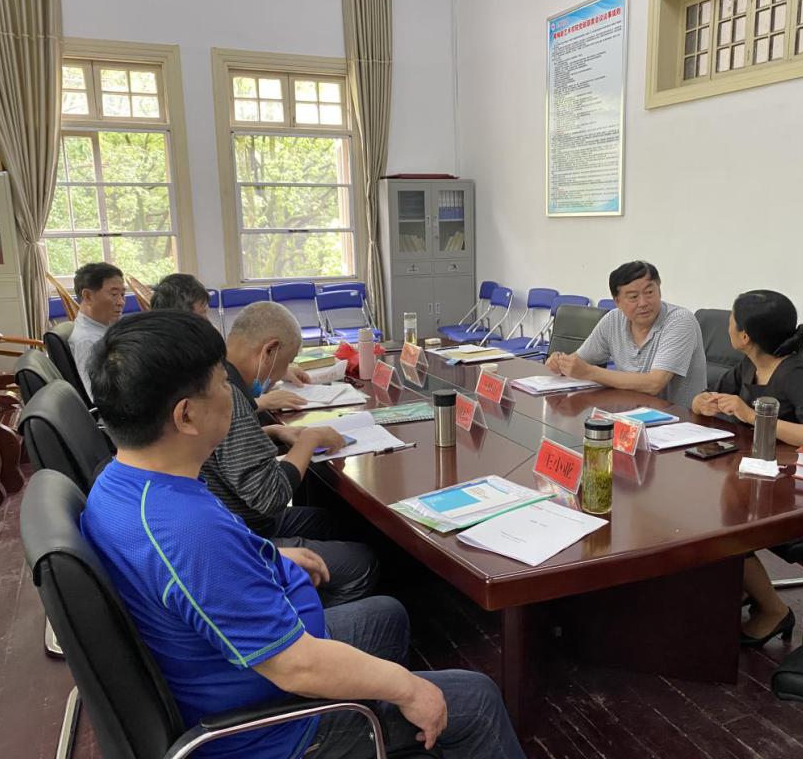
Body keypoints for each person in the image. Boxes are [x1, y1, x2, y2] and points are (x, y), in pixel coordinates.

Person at [81, 311, 524, 759]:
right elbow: (296, 667)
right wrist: (409, 690)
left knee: (388, 615)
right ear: (186, 415)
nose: (233, 394)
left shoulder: (120, 484)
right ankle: (375, 724)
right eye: (221, 384)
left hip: (244, 668)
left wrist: (270, 557)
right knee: (476, 700)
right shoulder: (184, 531)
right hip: (272, 731)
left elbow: (194, 582)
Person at [201, 301, 377, 606]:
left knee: (331, 521)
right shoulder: (229, 396)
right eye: (286, 362)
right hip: (247, 531)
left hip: (243, 519)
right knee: (364, 563)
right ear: (269, 351)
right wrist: (308, 440)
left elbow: (224, 451)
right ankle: (316, 620)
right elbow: (270, 496)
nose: (282, 373)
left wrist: (272, 431)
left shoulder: (220, 380)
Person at [691, 289, 803, 647]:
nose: (727, 325)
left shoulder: (796, 373)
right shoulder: (749, 366)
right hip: (757, 471)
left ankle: (774, 610)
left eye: (731, 321)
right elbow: (712, 395)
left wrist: (752, 416)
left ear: (745, 337)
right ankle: (741, 586)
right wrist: (702, 402)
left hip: (796, 485)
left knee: (723, 529)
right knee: (708, 512)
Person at [545, 261, 706, 408]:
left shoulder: (679, 321)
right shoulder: (613, 320)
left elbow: (654, 383)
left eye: (649, 292)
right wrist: (561, 363)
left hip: (678, 419)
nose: (643, 303)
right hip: (632, 416)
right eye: (633, 297)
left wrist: (589, 372)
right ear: (617, 301)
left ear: (659, 290)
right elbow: (579, 361)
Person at [150, 274, 311, 413]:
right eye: (203, 313)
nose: (209, 323)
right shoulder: (186, 367)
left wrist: (275, 370)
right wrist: (260, 403)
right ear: (182, 320)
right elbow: (213, 411)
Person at [69, 262, 125, 398]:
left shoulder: (104, 328)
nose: (121, 302)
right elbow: (99, 397)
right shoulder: (88, 341)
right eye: (114, 294)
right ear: (88, 296)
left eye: (123, 294)